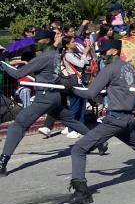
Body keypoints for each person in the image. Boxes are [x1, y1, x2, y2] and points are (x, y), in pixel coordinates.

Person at [58, 39, 135, 204]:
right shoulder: (130, 67)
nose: (101, 54)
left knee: (79, 149)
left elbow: (91, 93)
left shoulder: (110, 69)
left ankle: (82, 192)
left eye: (104, 51)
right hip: (127, 118)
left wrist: (71, 89)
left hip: (115, 119)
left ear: (114, 51)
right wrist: (119, 91)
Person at [0, 30, 99, 177]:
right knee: (70, 120)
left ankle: (2, 163)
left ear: (46, 41)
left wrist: (2, 63)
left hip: (44, 97)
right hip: (54, 96)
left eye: (38, 40)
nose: (35, 43)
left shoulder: (44, 57)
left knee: (18, 125)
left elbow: (17, 74)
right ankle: (99, 141)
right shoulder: (56, 54)